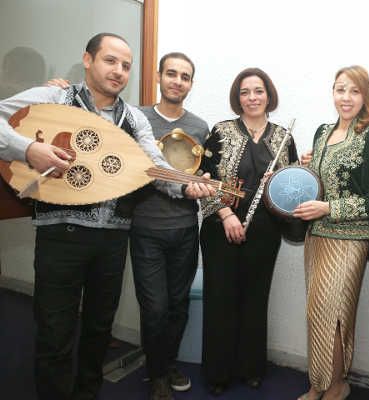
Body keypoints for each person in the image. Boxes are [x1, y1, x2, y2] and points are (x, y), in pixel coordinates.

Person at [0, 33, 212, 400]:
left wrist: (186, 186)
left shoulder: (134, 119)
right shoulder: (55, 97)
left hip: (113, 238)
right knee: (55, 332)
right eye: (110, 61)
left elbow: (153, 166)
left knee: (99, 332)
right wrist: (28, 148)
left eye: (126, 66)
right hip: (61, 234)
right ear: (88, 60)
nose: (118, 71)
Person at [198, 67, 299, 396]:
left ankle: (251, 368)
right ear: (237, 98)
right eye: (245, 92)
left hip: (265, 231)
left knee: (256, 299)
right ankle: (218, 373)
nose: (252, 98)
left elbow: (292, 189)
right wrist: (226, 214)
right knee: (221, 299)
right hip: (220, 228)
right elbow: (204, 178)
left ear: (268, 95)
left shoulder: (284, 137)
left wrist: (278, 184)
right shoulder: (220, 131)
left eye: (258, 91)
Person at [295, 65, 369, 400]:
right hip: (316, 235)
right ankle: (318, 383)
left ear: (365, 95)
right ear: (332, 92)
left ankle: (336, 386)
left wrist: (329, 208)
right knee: (316, 314)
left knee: (334, 313)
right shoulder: (322, 132)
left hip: (350, 239)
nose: (346, 97)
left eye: (354, 90)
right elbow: (319, 182)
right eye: (340, 89)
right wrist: (306, 169)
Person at [129, 52, 210, 400]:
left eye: (185, 76)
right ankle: (157, 373)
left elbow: (203, 176)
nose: (177, 81)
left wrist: (206, 186)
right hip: (146, 229)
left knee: (178, 305)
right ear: (159, 76)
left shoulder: (200, 127)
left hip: (185, 229)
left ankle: (167, 362)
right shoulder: (136, 118)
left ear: (191, 84)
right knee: (155, 308)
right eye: (172, 73)